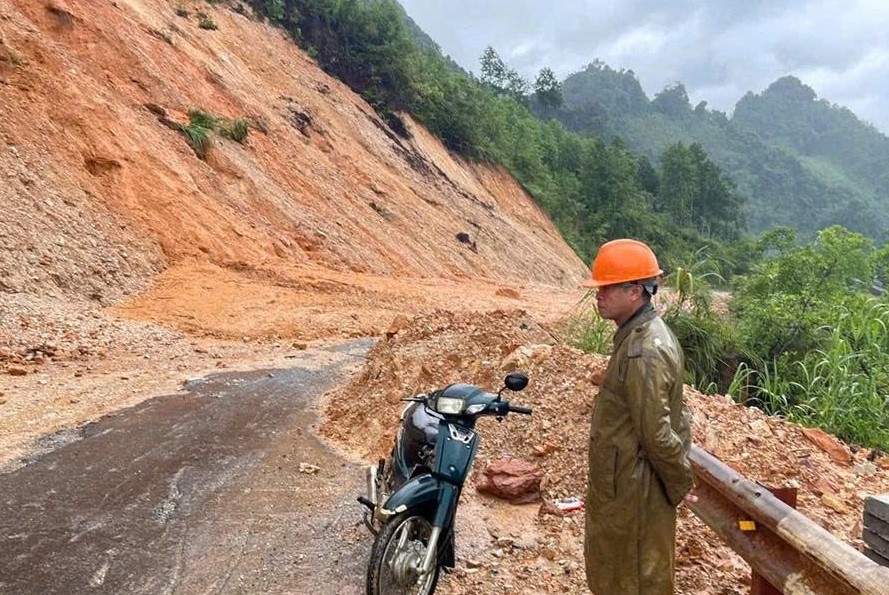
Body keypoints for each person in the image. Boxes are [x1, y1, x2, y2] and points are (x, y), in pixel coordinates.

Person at [582, 238, 694, 595]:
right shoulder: (634, 338)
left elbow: (657, 432)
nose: (598, 295)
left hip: (635, 491)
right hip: (623, 486)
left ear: (635, 292)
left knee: (635, 580)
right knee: (616, 574)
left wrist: (679, 483)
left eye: (607, 287)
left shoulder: (644, 350)